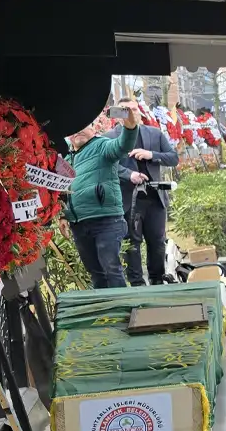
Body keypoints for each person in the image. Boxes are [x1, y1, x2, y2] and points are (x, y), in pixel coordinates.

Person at [64, 108, 141, 288]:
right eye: (73, 129)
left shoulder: (102, 146)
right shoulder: (67, 158)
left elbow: (123, 145)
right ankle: (106, 313)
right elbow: (62, 190)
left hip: (106, 221)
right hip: (78, 224)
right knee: (96, 274)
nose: (77, 132)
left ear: (93, 128)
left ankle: (122, 311)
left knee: (111, 269)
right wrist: (63, 216)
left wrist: (130, 127)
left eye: (82, 126)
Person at [109, 98, 178, 286]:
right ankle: (137, 283)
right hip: (127, 199)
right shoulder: (109, 138)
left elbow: (173, 158)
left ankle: (157, 280)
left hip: (155, 198)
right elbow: (108, 165)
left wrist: (152, 155)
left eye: (134, 109)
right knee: (132, 243)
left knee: (157, 242)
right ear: (118, 115)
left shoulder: (154, 134)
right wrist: (128, 174)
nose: (131, 113)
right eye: (126, 110)